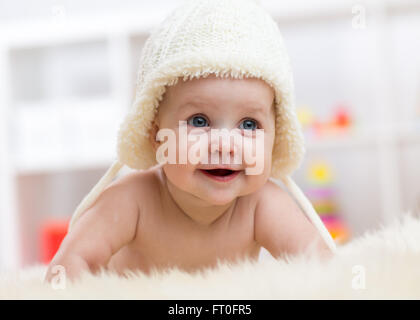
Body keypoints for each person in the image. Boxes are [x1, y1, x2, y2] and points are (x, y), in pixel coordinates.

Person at [45, 0, 336, 283]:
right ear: (156, 135)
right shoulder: (132, 200)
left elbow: (324, 268)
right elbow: (68, 264)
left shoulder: (262, 204)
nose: (225, 145)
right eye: (200, 121)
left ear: (276, 137)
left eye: (249, 124)